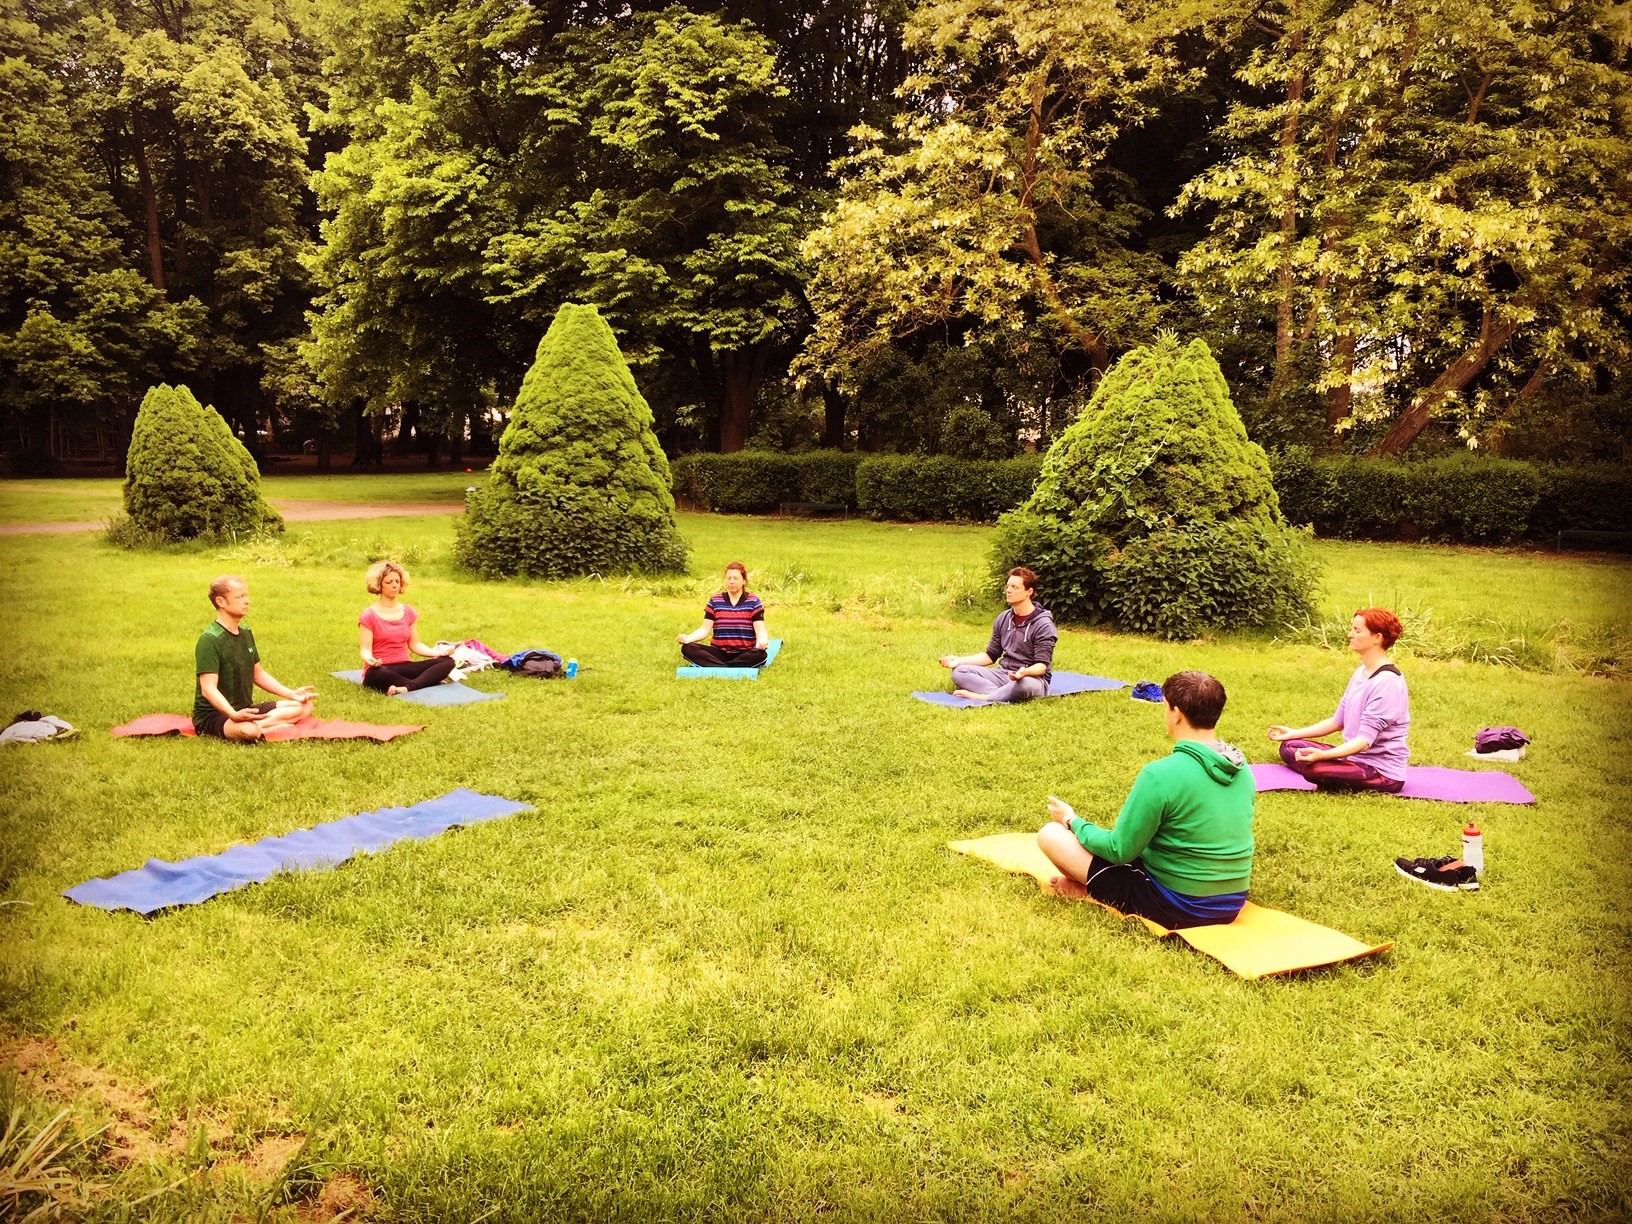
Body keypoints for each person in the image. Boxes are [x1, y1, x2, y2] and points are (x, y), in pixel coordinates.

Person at [1038, 670, 1255, 928]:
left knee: (1050, 834)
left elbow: (1119, 850)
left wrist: (1072, 820)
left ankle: (1092, 891)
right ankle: (1092, 887)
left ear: (1176, 714)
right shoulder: (1241, 767)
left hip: (1180, 906)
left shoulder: (1159, 774)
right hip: (1231, 904)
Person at [1266, 607, 1409, 793]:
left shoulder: (1387, 683)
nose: (1350, 635)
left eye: (1357, 631)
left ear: (1377, 637)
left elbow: (1365, 741)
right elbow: (1337, 721)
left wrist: (1324, 756)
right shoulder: (1361, 672)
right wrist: (1293, 733)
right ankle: (1334, 768)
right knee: (1290, 747)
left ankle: (1330, 770)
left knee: (1314, 769)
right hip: (1354, 758)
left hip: (1382, 772)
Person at [193, 576, 317, 742]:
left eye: (246, 596)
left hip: (245, 709)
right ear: (221, 601)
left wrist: (292, 694)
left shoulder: (245, 632)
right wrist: (233, 715)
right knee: (248, 731)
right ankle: (265, 726)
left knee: (305, 706)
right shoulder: (210, 639)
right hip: (214, 715)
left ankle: (262, 725)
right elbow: (208, 689)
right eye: (240, 597)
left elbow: (258, 674)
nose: (247, 601)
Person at [937, 567, 1057, 702]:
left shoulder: (1043, 624)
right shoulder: (1004, 618)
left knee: (1023, 685)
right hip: (1004, 674)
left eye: (1014, 587)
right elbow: (990, 655)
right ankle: (1000, 694)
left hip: (1032, 679)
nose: (1008, 590)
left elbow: (1042, 666)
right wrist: (958, 660)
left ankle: (986, 697)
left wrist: (1024, 672)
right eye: (1008, 586)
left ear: (1029, 592)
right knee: (959, 671)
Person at [358, 560, 456, 695]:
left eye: (397, 581)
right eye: (389, 582)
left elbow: (415, 644)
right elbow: (365, 649)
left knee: (447, 662)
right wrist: (370, 659)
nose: (394, 585)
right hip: (381, 669)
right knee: (378, 675)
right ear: (379, 585)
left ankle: (406, 687)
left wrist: (439, 654)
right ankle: (425, 682)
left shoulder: (408, 612)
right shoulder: (369, 615)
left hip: (405, 666)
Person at [677, 562, 769, 667]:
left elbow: (760, 630)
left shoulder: (753, 601)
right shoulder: (715, 601)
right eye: (728, 578)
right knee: (687, 648)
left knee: (760, 655)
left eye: (735, 578)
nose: (732, 582)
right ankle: (728, 667)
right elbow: (704, 629)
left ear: (743, 581)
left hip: (744, 653)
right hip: (718, 653)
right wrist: (688, 639)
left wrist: (762, 642)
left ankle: (718, 666)